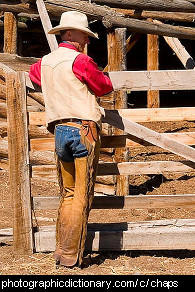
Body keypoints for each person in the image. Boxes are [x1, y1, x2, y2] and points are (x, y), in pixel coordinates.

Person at [29, 11, 113, 268]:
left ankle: (61, 251)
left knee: (66, 192)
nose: (86, 40)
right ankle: (74, 255)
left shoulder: (42, 63)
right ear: (68, 34)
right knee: (81, 194)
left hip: (60, 130)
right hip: (82, 129)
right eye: (83, 35)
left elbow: (35, 79)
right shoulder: (80, 61)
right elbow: (104, 87)